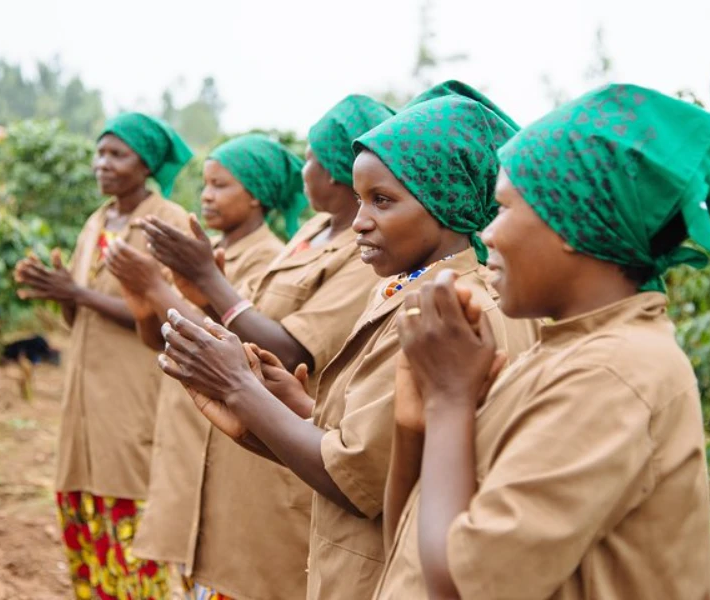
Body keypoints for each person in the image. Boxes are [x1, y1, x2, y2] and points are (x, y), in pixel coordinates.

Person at [158, 83, 539, 600]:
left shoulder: (448, 311)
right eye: (361, 199)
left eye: (382, 201)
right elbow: (382, 443)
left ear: (443, 200)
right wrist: (296, 405)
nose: (359, 221)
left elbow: (355, 476)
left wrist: (238, 387)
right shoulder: (416, 288)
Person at [374, 83, 710, 599]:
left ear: (570, 221)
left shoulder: (613, 373)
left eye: (504, 208)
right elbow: (411, 550)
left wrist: (452, 400)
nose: (490, 233)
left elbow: (464, 580)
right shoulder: (559, 353)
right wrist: (418, 421)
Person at [122, 97, 393, 600]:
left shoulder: (363, 256)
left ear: (337, 171)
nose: (302, 169)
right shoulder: (312, 233)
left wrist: (186, 288)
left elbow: (293, 351)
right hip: (245, 462)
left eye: (311, 158)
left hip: (279, 478)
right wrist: (192, 291)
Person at [14, 112, 193, 600]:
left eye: (117, 154)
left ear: (146, 163)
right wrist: (59, 292)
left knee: (131, 521)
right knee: (83, 517)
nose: (102, 164)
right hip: (84, 399)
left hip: (132, 394)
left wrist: (79, 292)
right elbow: (81, 313)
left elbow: (164, 314)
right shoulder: (97, 222)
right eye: (100, 152)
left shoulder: (167, 222)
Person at [103, 134, 286, 585]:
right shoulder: (205, 252)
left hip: (227, 452)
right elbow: (157, 340)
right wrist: (143, 293)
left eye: (220, 185)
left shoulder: (271, 260)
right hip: (185, 440)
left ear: (257, 193)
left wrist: (159, 287)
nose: (205, 195)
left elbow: (235, 351)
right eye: (204, 184)